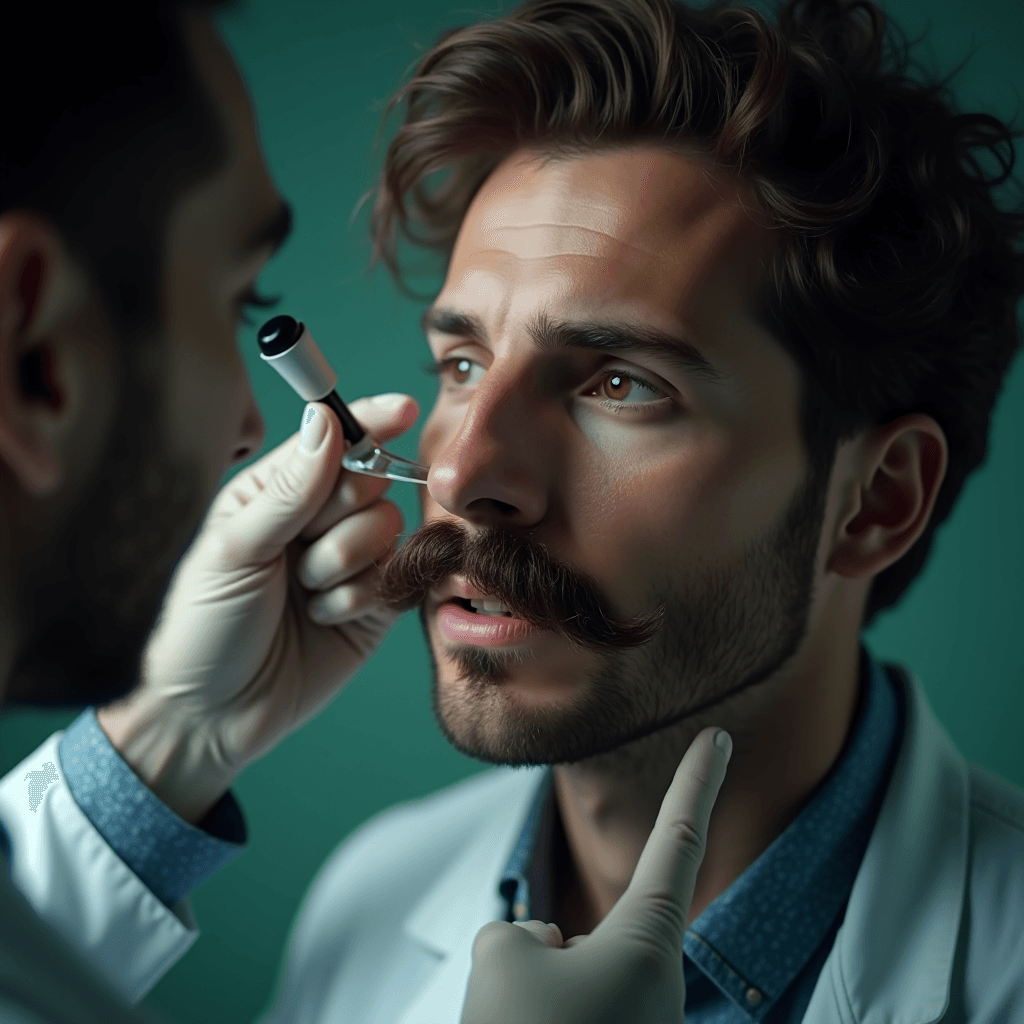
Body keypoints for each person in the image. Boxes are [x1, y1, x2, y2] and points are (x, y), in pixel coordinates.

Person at [2, 0, 1023, 1022]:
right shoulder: (371, 895)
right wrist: (175, 736)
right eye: (462, 361)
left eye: (620, 383)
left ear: (875, 499)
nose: (459, 476)